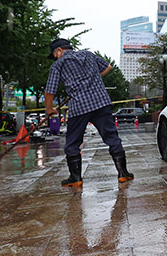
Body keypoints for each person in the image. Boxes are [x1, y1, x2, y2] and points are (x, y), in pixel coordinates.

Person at [44, 38, 133, 187]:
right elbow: (108, 67)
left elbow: (49, 91)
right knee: (112, 137)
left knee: (73, 142)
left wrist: (49, 109)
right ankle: (123, 174)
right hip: (101, 102)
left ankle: (76, 178)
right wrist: (92, 80)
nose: (54, 57)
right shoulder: (88, 55)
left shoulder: (58, 65)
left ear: (59, 50)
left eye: (54, 54)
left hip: (79, 107)